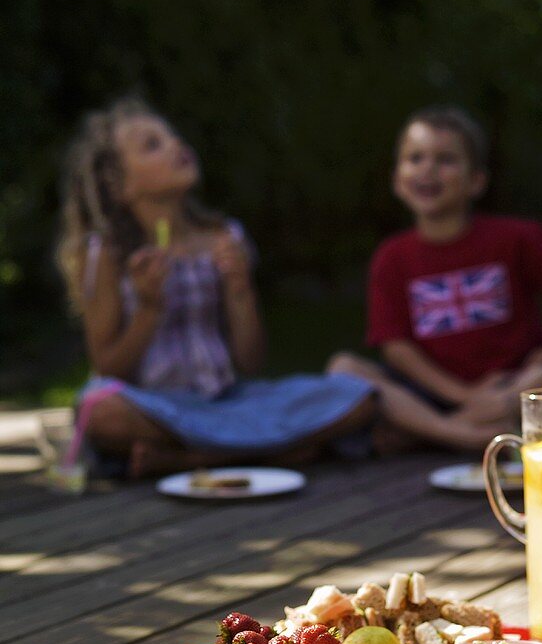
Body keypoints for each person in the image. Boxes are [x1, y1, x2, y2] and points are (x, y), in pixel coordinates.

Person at [57, 98, 375, 477]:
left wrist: (241, 293)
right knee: (99, 410)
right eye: (153, 145)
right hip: (156, 407)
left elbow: (250, 362)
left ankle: (192, 459)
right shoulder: (107, 255)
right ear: (120, 186)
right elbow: (108, 368)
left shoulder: (224, 239)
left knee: (359, 398)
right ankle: (270, 451)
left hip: (227, 403)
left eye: (173, 136)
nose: (176, 145)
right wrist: (148, 309)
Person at [328, 106, 542, 449]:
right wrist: (464, 396)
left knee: (537, 381)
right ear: (397, 178)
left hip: (508, 386)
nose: (428, 169)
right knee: (344, 368)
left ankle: (422, 432)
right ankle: (459, 433)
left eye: (445, 160)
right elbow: (395, 348)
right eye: (415, 158)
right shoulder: (391, 257)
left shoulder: (516, 238)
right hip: (431, 392)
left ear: (476, 181)